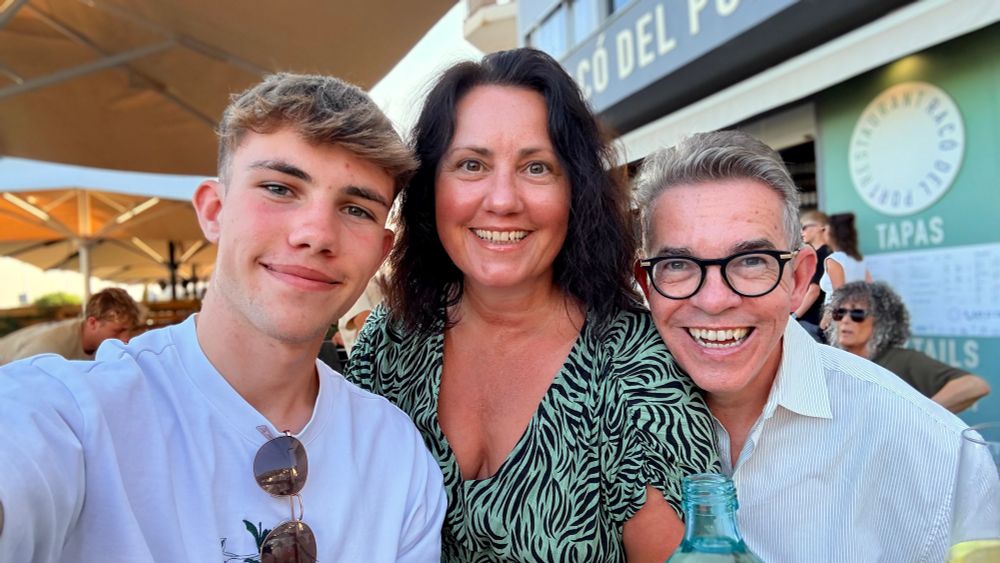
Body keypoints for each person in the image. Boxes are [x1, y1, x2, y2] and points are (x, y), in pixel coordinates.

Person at [0, 73, 446, 562]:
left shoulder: (397, 454)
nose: (316, 233)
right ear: (214, 211)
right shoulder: (74, 414)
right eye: (279, 188)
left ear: (382, 250)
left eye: (357, 209)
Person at [346, 48, 718, 562]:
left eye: (537, 167)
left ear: (576, 191)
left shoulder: (637, 369)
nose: (502, 200)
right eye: (471, 164)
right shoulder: (394, 336)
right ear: (432, 186)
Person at [633, 130, 999, 561]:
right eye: (678, 264)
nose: (714, 300)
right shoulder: (600, 429)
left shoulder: (938, 455)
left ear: (800, 279)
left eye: (752, 261)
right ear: (647, 285)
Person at [827, 281, 990, 413]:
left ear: (882, 322)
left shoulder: (901, 359)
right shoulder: (834, 361)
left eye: (857, 314)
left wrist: (919, 415)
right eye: (839, 313)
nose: (845, 320)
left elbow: (974, 385)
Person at [0, 287, 139, 365]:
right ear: (92, 323)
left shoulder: (100, 345)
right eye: (118, 331)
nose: (126, 339)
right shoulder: (50, 346)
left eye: (128, 330)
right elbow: (17, 380)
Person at [792, 210, 830, 341]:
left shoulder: (823, 255)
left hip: (811, 322)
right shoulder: (819, 254)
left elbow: (814, 291)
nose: (801, 232)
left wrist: (794, 316)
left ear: (821, 227)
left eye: (804, 227)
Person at [819, 211, 871, 301]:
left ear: (832, 233)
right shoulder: (858, 259)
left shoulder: (834, 260)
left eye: (825, 230)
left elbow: (839, 298)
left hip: (836, 313)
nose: (822, 233)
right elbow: (869, 288)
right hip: (857, 310)